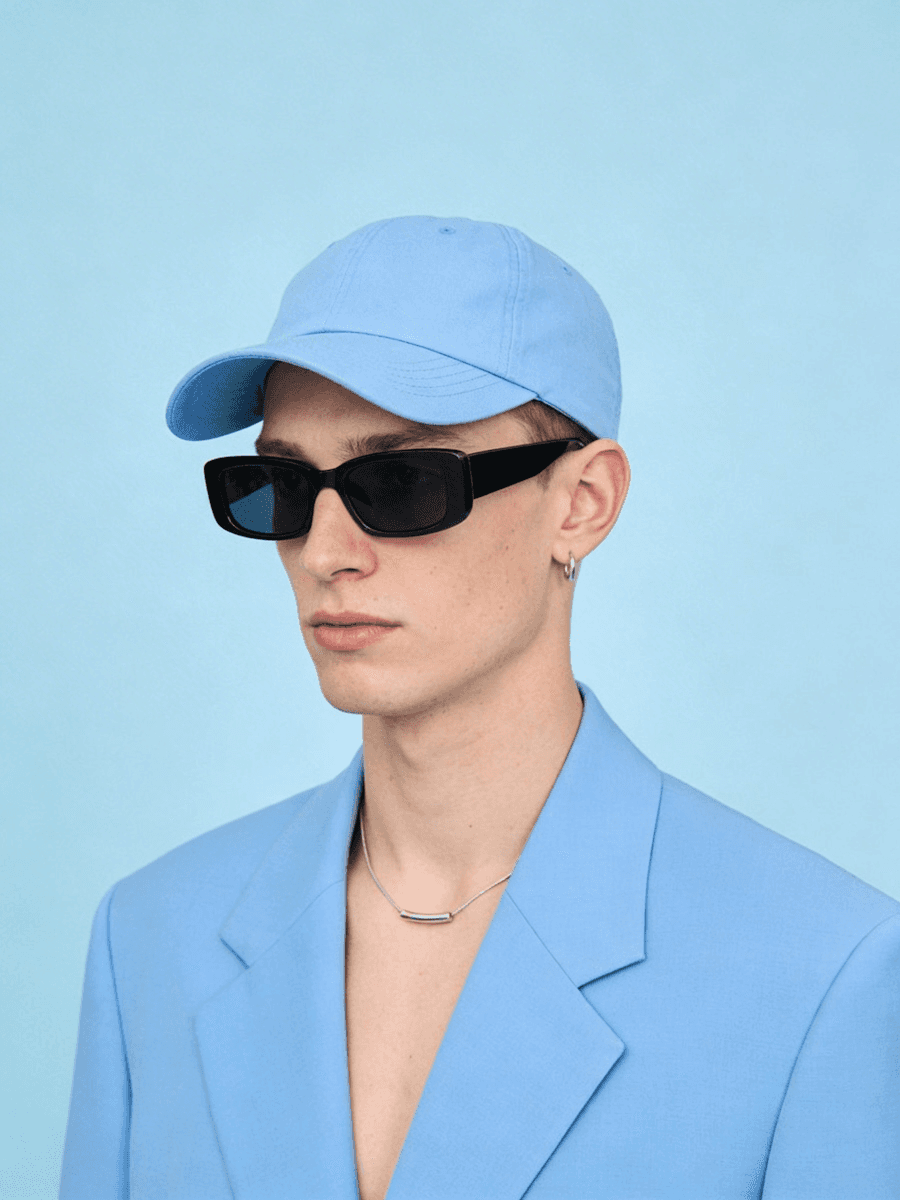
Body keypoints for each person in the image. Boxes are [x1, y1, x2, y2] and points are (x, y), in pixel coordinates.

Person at [60, 216, 900, 1200]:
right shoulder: (151, 941)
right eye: (281, 487)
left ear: (582, 502)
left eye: (401, 481)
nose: (326, 550)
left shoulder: (821, 973)